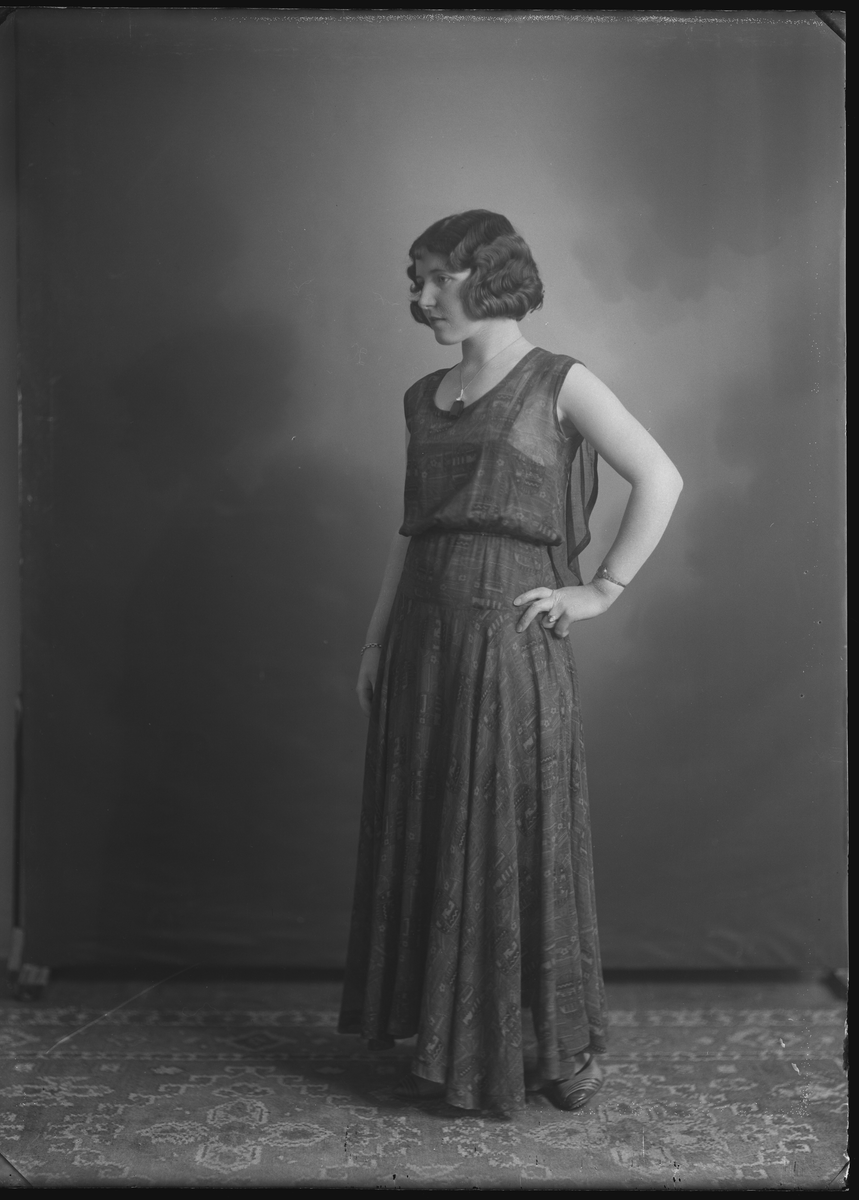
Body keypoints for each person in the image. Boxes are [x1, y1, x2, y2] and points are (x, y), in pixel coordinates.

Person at [338, 210, 683, 1117]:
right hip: (423, 639)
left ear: (486, 275)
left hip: (509, 642)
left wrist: (601, 589)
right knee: (436, 828)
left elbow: (661, 477)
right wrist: (375, 639)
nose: (420, 297)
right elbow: (410, 531)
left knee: (512, 837)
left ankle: (554, 1049)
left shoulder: (559, 381)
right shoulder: (421, 396)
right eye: (414, 279)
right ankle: (446, 1041)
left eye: (436, 278)